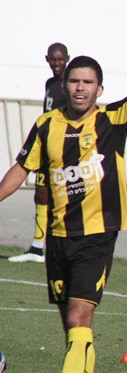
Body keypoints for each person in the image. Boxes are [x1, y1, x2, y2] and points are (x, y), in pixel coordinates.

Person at [0, 16, 127, 373]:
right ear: (63, 86)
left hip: (97, 235)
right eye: (74, 81)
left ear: (100, 89)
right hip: (58, 238)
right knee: (71, 327)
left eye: (88, 82)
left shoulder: (111, 120)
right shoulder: (46, 125)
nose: (80, 87)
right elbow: (20, 169)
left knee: (78, 317)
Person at [8, 43, 70, 263]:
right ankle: (37, 248)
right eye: (53, 59)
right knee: (41, 193)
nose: (56, 63)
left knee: (65, 196)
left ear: (67, 59)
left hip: (63, 148)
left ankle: (66, 247)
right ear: (47, 59)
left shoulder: (71, 85)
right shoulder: (50, 83)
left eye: (60, 59)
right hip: (46, 143)